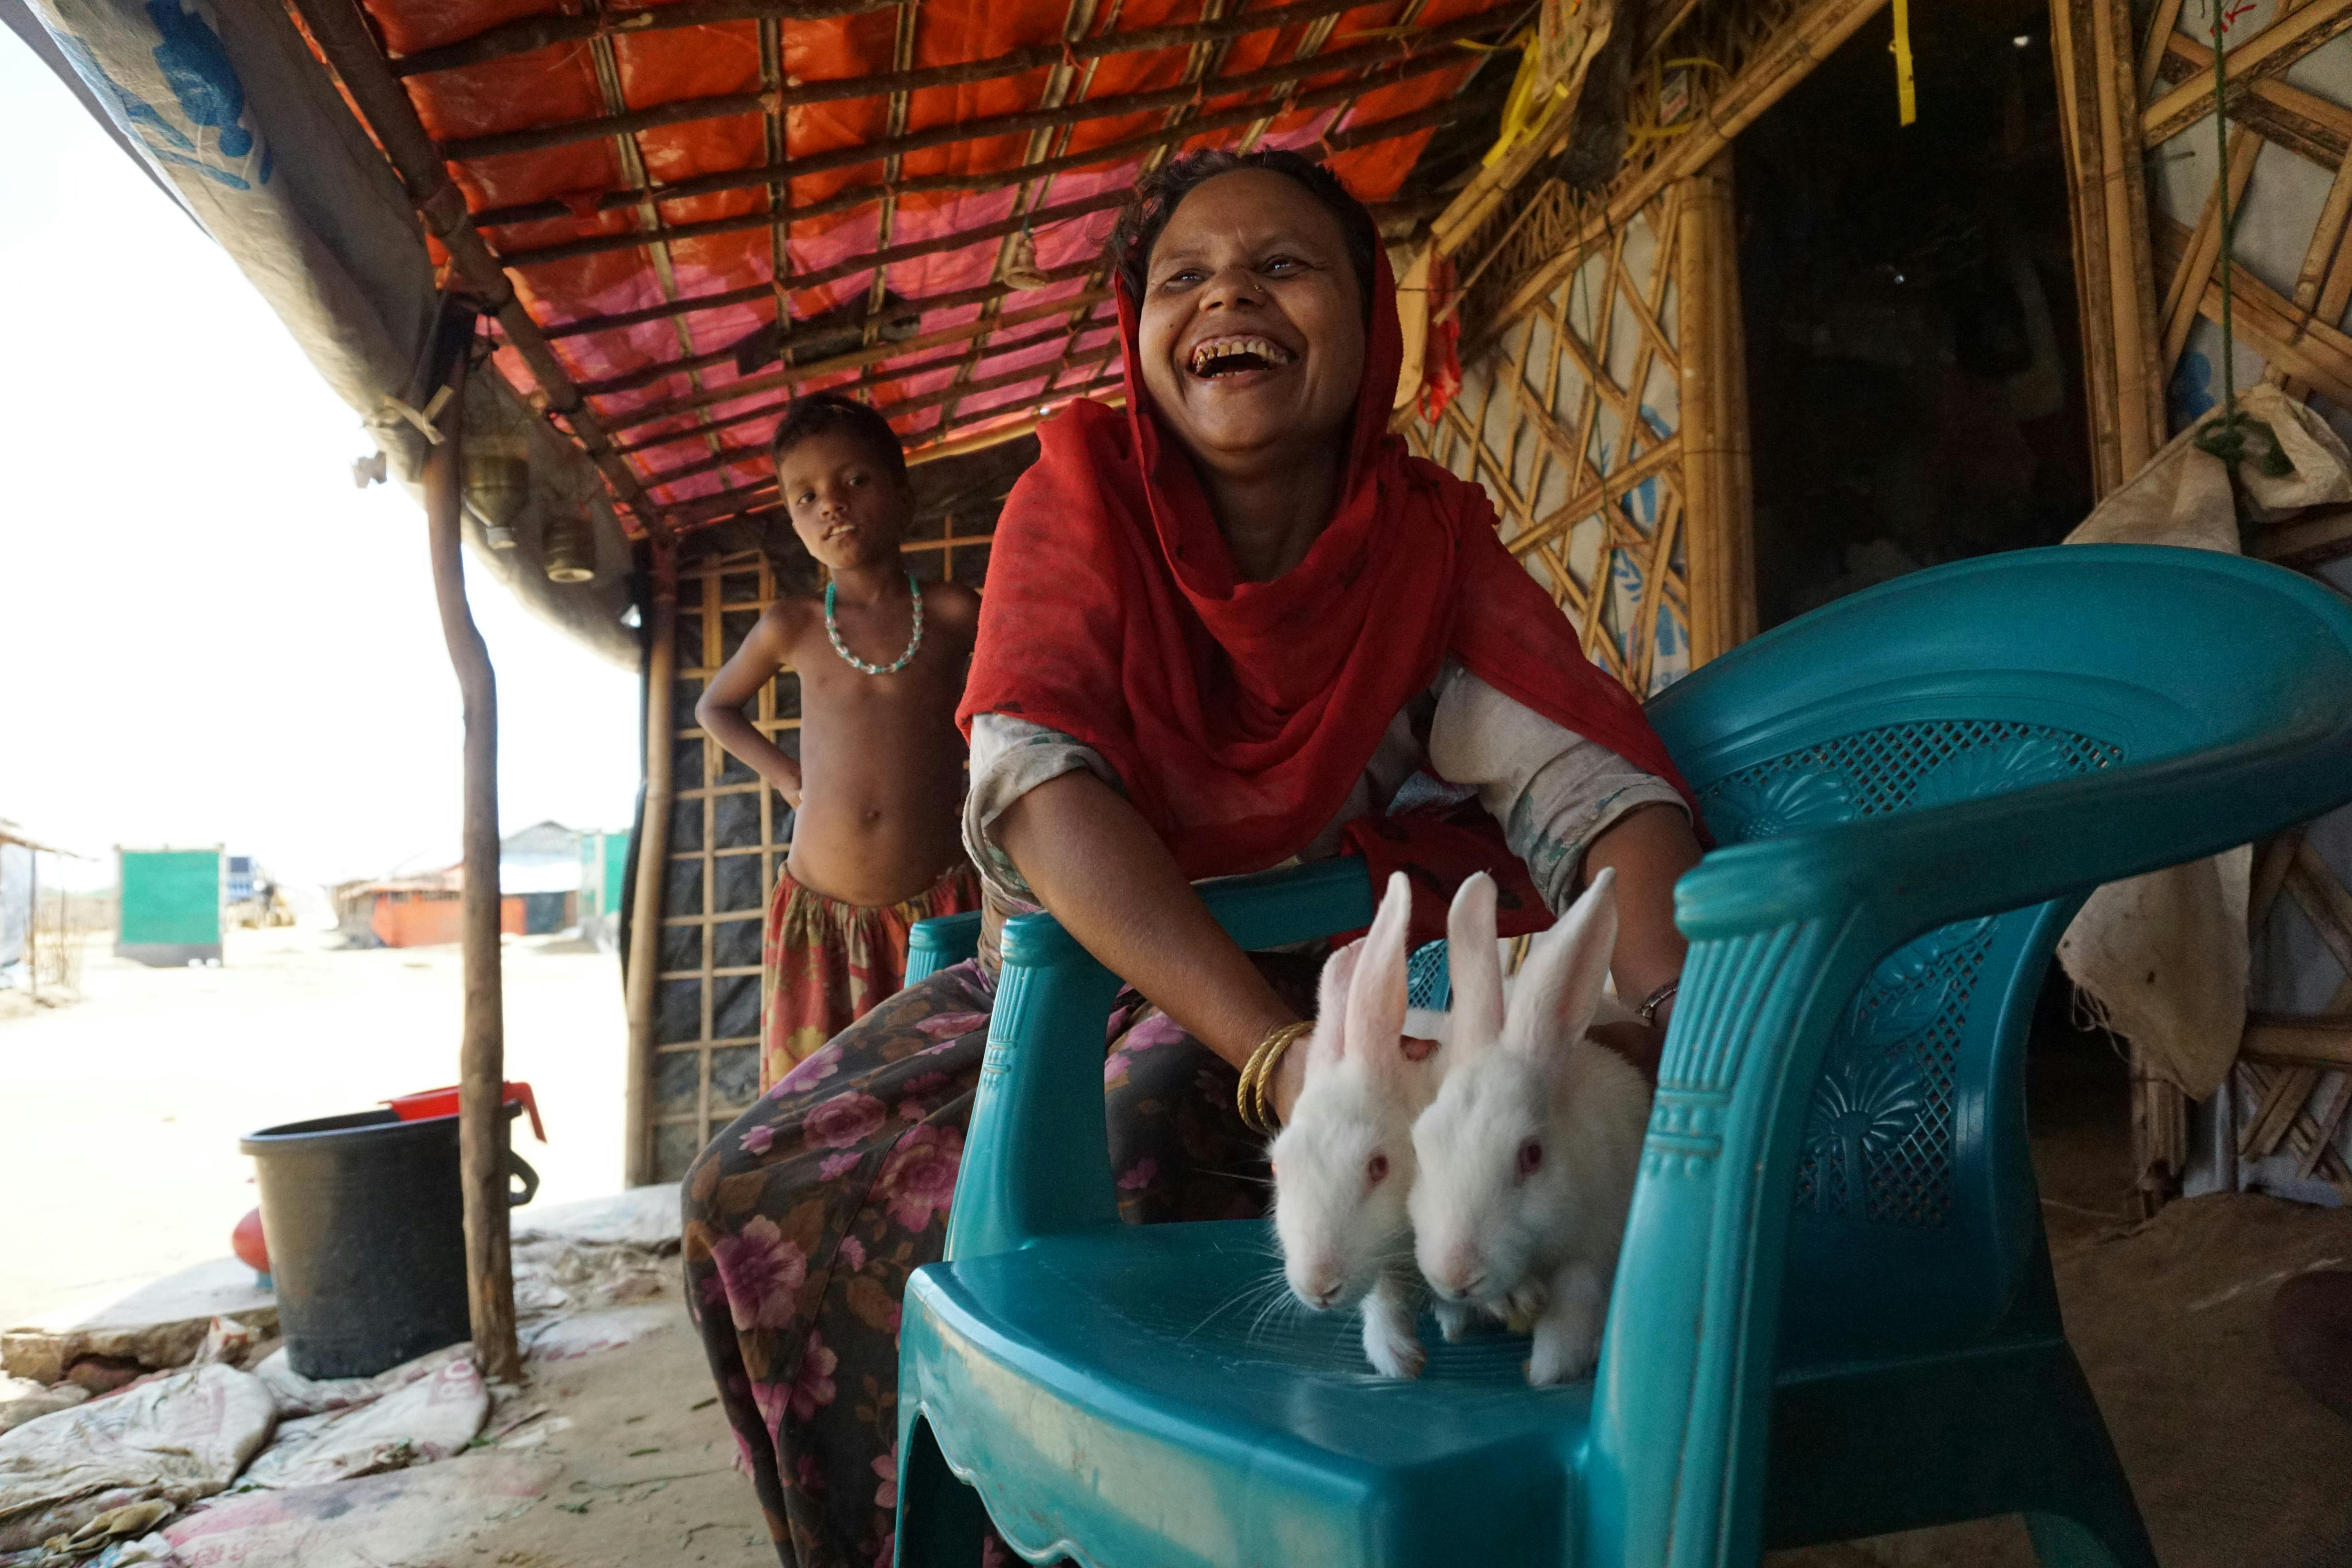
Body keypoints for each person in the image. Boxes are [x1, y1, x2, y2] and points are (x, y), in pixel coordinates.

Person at [681, 151, 1708, 1568]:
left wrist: (1678, 1029)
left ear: (1372, 322)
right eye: (1185, 276)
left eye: (1283, 266)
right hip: (1059, 981)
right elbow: (1037, 792)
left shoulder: (1429, 552)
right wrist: (1273, 1057)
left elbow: (1587, 785)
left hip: (1313, 998)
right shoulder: (1074, 503)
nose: (1229, 294)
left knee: (1148, 1153)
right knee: (744, 1196)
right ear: (1138, 332)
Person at [693, 394, 984, 1092]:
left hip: (941, 907)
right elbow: (716, 708)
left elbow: (1013, 698)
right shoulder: (791, 625)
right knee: (821, 1102)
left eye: (855, 480)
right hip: (821, 916)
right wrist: (789, 778)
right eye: (806, 497)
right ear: (794, 521)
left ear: (904, 496)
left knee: (947, 1093)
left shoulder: (954, 612)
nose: (832, 504)